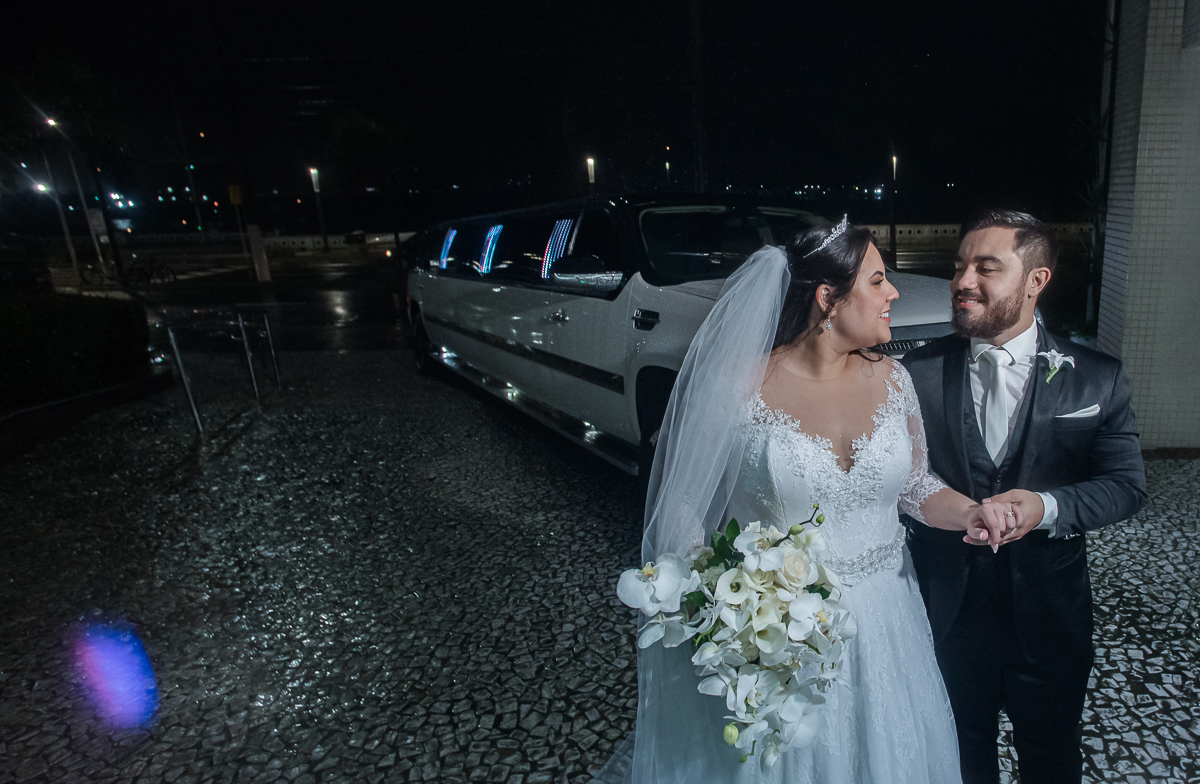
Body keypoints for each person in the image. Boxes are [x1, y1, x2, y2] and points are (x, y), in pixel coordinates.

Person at [613, 218, 1017, 784]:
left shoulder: (895, 380)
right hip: (783, 632)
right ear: (829, 298)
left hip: (887, 617)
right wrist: (727, 608)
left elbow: (915, 485)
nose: (894, 293)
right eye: (878, 281)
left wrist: (971, 511)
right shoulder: (736, 386)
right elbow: (683, 502)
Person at [901, 210, 1147, 784]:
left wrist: (1047, 507)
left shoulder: (1096, 378)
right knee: (958, 759)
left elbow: (1125, 486)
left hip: (1050, 618)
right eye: (960, 266)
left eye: (987, 267)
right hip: (946, 616)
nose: (963, 281)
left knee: (1051, 760)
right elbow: (898, 482)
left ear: (1036, 281)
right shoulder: (915, 372)